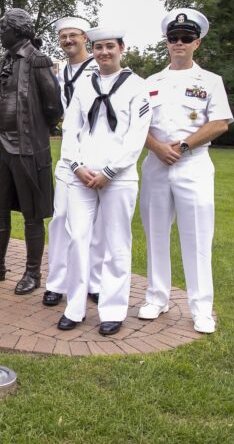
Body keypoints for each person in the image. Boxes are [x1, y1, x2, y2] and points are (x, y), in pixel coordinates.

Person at [137, 8, 232, 334]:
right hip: (156, 165)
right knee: (155, 235)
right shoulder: (151, 83)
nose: (179, 42)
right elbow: (138, 126)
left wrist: (184, 146)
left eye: (186, 38)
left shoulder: (210, 81)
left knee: (197, 238)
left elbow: (219, 123)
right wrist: (157, 148)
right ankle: (156, 297)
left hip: (193, 165)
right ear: (167, 42)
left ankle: (201, 308)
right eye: (174, 38)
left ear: (197, 43)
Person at [56, 27, 151, 336]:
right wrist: (77, 165)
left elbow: (137, 136)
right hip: (81, 176)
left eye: (110, 46)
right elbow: (70, 129)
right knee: (77, 239)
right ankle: (75, 307)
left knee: (115, 244)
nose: (104, 52)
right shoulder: (84, 85)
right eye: (99, 47)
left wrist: (110, 171)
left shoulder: (138, 86)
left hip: (118, 178)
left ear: (122, 48)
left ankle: (112, 310)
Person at [0, 8, 63, 295]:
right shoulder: (8, 59)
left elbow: (53, 106)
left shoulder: (37, 60)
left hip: (26, 147)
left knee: (32, 213)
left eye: (3, 28)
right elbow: (9, 100)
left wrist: (34, 131)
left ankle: (32, 272)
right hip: (1, 145)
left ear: (17, 30)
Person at [44, 16, 104, 308]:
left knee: (95, 225)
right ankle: (56, 283)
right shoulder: (59, 72)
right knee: (59, 221)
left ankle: (93, 282)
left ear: (85, 38)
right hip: (68, 154)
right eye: (63, 37)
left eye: (73, 36)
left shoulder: (99, 68)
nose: (68, 41)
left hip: (96, 153)